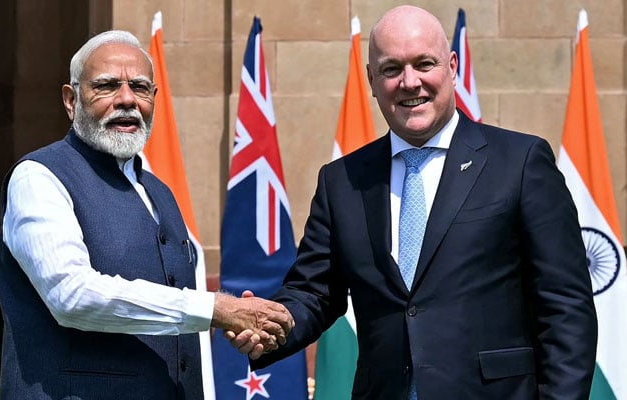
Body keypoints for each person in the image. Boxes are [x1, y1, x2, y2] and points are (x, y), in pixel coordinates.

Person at [228, 5, 598, 400]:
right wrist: (271, 325)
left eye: (425, 63)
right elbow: (314, 292)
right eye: (391, 69)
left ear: (452, 66)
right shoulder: (342, 181)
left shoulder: (521, 163)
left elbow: (565, 308)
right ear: (371, 79)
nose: (409, 82)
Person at [0, 30, 292, 399]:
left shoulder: (160, 192)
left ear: (154, 97)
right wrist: (216, 308)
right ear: (71, 100)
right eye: (106, 86)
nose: (126, 100)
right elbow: (71, 296)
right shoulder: (39, 177)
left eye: (139, 87)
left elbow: (178, 322)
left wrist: (236, 322)